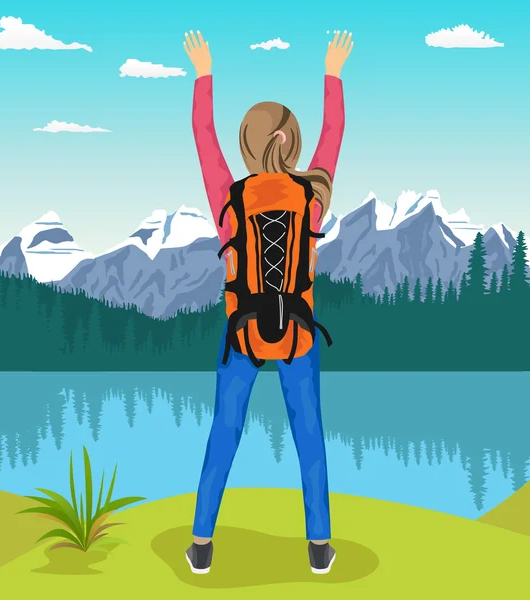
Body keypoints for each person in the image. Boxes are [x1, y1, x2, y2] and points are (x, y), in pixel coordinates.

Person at [182, 29, 352, 576]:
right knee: (309, 434)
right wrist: (333, 72)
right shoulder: (314, 196)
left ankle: (202, 548)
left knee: (223, 433)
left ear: (249, 147)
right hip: (299, 337)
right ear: (292, 145)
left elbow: (203, 135)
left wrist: (203, 73)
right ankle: (319, 548)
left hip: (241, 337)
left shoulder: (229, 202)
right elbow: (335, 132)